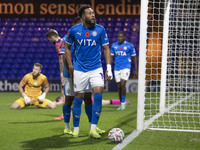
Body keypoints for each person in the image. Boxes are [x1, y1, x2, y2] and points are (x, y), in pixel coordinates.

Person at [65, 5, 112, 139]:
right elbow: (67, 48)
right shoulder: (74, 30)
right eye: (89, 13)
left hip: (96, 68)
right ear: (83, 16)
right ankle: (76, 129)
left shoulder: (100, 29)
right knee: (78, 99)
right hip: (80, 69)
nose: (93, 15)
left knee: (97, 96)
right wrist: (70, 65)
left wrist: (108, 68)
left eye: (93, 13)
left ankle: (92, 128)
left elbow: (106, 48)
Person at [46, 17, 97, 135]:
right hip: (70, 73)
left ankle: (92, 127)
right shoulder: (65, 39)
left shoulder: (86, 37)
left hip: (83, 72)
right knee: (69, 99)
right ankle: (67, 127)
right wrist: (65, 72)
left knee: (88, 98)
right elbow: (62, 58)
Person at [111, 31, 137, 110]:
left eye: (121, 36)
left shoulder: (129, 46)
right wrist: (108, 68)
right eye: (118, 36)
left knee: (123, 84)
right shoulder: (114, 46)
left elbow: (134, 57)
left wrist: (136, 69)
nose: (120, 38)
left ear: (124, 37)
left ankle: (123, 104)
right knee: (119, 87)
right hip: (117, 68)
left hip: (126, 67)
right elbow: (111, 57)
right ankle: (121, 102)